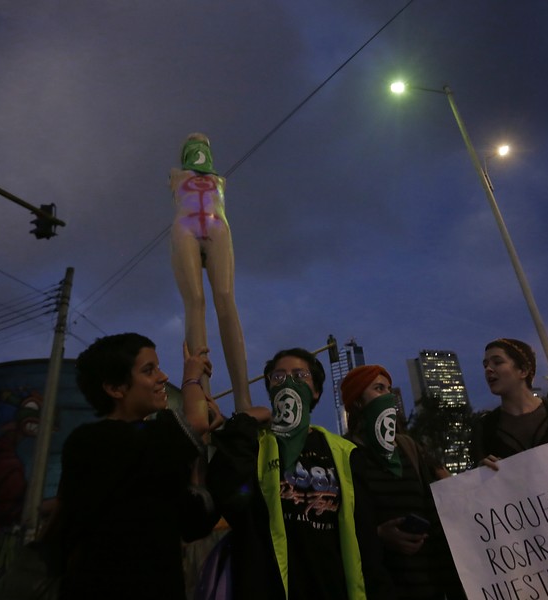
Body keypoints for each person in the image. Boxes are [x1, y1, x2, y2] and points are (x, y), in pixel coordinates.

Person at [207, 348, 393, 600]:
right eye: (279, 377)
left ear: (315, 391)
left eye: (299, 375)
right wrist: (244, 422)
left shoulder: (344, 453)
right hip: (271, 587)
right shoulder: (258, 445)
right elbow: (228, 496)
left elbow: (365, 540)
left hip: (332, 586)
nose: (289, 382)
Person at [56, 333, 222, 600]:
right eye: (149, 370)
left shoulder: (155, 450)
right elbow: (197, 421)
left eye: (157, 367)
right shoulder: (94, 441)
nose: (163, 377)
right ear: (115, 388)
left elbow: (192, 524)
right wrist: (191, 377)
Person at [340, 365, 464, 600]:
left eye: (388, 389)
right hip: (382, 585)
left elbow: (445, 496)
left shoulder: (409, 447)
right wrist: (378, 535)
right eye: (378, 389)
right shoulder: (345, 453)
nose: (387, 395)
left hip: (430, 582)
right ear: (357, 402)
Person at [170, 133, 251, 412]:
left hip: (217, 226)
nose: (199, 147)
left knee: (226, 298)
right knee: (195, 301)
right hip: (187, 228)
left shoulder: (220, 180)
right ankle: (202, 397)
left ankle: (243, 400)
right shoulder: (176, 175)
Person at [471, 338, 548, 469]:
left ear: (523, 371)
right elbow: (476, 482)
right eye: (485, 365)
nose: (488, 369)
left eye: (497, 362)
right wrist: (481, 473)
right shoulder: (485, 428)